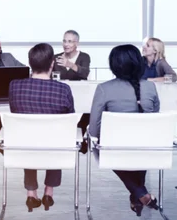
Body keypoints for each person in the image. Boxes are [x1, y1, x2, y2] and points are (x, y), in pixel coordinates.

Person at [89, 44, 161, 216]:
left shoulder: (104, 88)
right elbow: (155, 117)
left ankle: (140, 194)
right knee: (139, 148)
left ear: (114, 65)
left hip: (115, 150)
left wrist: (95, 139)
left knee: (108, 150)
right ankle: (137, 196)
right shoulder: (150, 87)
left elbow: (93, 127)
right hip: (147, 149)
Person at [8, 43, 75, 212]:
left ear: (30, 63)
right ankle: (49, 192)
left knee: (29, 133)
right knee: (57, 135)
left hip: (24, 147)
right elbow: (70, 120)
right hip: (54, 148)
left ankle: (31, 193)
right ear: (52, 63)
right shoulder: (63, 89)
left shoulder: (15, 86)